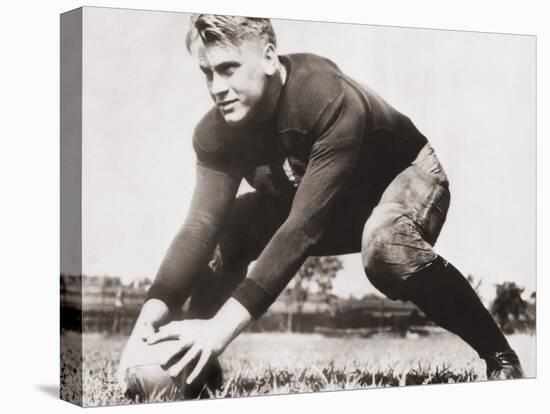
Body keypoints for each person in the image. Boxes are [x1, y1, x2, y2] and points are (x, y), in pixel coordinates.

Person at [117, 14, 524, 401]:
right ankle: (197, 370)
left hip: (398, 179)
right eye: (207, 72)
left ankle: (500, 356)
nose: (216, 87)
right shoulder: (214, 133)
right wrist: (146, 323)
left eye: (228, 68)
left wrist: (219, 330)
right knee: (222, 237)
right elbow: (199, 226)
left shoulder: (325, 96)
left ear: (269, 57)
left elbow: (303, 227)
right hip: (314, 200)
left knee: (386, 246)